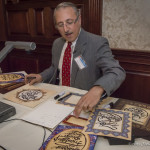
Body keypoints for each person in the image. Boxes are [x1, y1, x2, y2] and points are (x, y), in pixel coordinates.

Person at [25, 2, 126, 117]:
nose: (66, 29)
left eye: (69, 22)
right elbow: (55, 67)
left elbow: (117, 71)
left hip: (83, 105)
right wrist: (41, 76)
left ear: (79, 20)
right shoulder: (57, 44)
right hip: (58, 101)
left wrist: (98, 88)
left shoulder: (97, 43)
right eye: (60, 24)